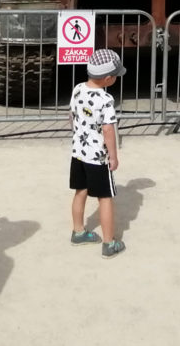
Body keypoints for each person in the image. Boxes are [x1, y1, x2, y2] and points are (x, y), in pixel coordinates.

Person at [68, 48, 127, 259]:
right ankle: (109, 243)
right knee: (105, 198)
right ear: (108, 78)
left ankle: (78, 232)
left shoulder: (77, 89)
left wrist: (77, 135)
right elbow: (108, 130)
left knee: (80, 191)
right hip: (97, 157)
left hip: (78, 152)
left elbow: (72, 115)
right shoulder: (105, 100)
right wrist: (113, 156)